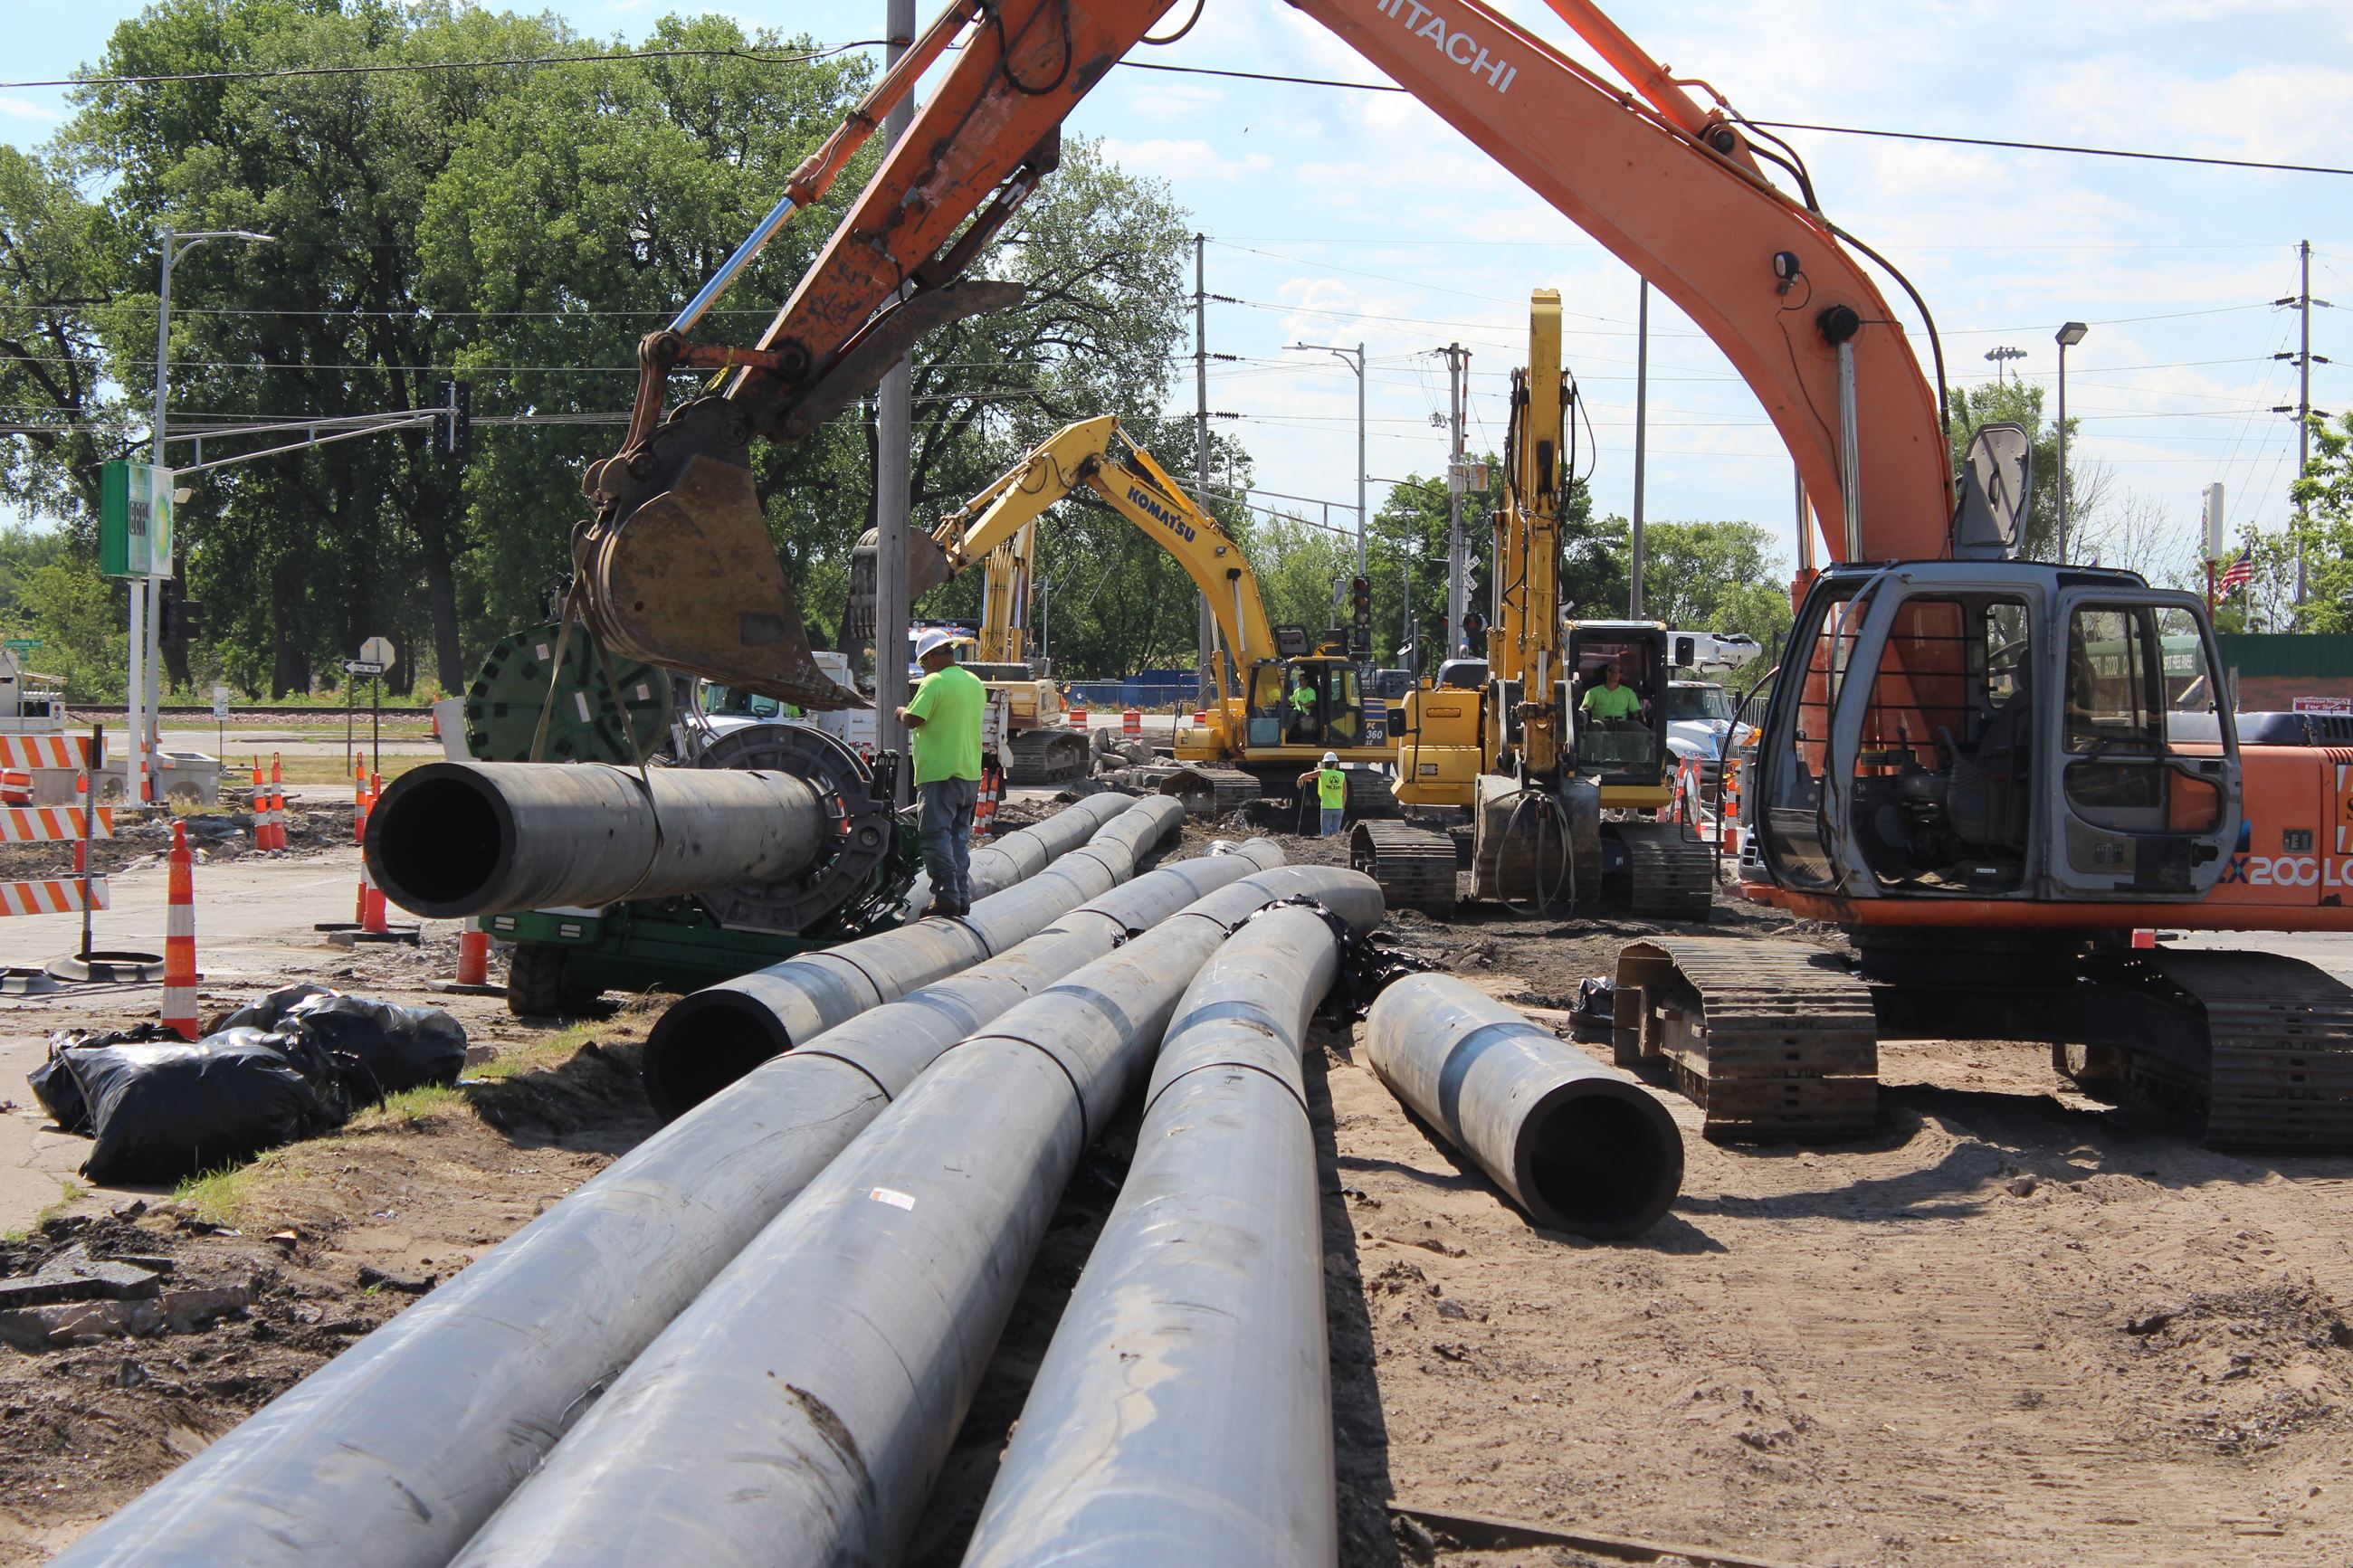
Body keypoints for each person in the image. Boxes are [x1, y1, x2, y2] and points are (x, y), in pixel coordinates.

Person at [896, 628, 986, 917]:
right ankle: (960, 896)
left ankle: (946, 896)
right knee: (959, 838)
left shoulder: (934, 682)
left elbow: (914, 718)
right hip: (969, 772)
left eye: (923, 661)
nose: (924, 667)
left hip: (939, 773)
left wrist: (899, 712)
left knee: (935, 836)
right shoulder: (974, 682)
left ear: (934, 657)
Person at [1296, 749, 1348, 837]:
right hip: (1338, 808)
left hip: (1326, 807)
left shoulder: (1322, 773)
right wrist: (1343, 806)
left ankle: (1327, 849)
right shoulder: (1342, 775)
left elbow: (1307, 775)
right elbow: (1345, 792)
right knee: (1336, 834)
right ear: (1335, 763)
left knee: (1326, 833)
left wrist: (1300, 779)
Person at [1579, 663, 1643, 727]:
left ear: (1621, 675)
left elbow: (1636, 711)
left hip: (1622, 726)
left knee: (1635, 725)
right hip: (1600, 725)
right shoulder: (1592, 692)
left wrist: (1640, 714)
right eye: (1611, 670)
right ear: (1606, 673)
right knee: (1594, 725)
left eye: (1617, 671)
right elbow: (1584, 708)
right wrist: (1584, 710)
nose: (1613, 673)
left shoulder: (1628, 692)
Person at [1286, 670, 1321, 743]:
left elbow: (1312, 702)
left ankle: (1286, 732)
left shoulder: (1311, 691)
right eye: (1299, 679)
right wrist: (1282, 701)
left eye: (1301, 679)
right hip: (1296, 711)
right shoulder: (1297, 691)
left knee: (1293, 714)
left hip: (1305, 713)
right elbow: (1291, 700)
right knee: (1284, 710)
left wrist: (1304, 704)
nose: (1300, 681)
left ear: (1306, 681)